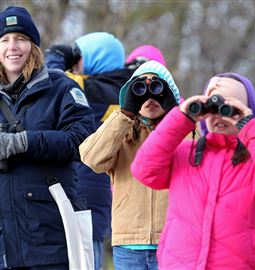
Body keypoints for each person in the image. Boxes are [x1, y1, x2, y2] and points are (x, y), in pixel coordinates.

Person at [45, 37, 168, 270]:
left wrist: (59, 55)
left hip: (79, 191)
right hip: (104, 200)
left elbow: (51, 80)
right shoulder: (122, 92)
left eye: (80, 58)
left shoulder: (84, 87)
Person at [131, 72, 255, 269]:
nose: (220, 116)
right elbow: (144, 170)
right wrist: (181, 118)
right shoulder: (186, 153)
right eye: (213, 109)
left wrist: (251, 128)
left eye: (230, 109)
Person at [0, 6, 95, 269]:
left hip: (49, 238)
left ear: (33, 45)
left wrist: (23, 142)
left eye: (20, 38)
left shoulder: (61, 87)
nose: (12, 47)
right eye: (4, 40)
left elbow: (82, 140)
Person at [79, 60, 181, 270]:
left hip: (174, 240)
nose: (150, 97)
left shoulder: (184, 131)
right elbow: (90, 158)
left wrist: (176, 116)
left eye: (158, 88)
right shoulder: (121, 133)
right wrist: (125, 112)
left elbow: (195, 157)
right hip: (129, 242)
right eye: (141, 89)